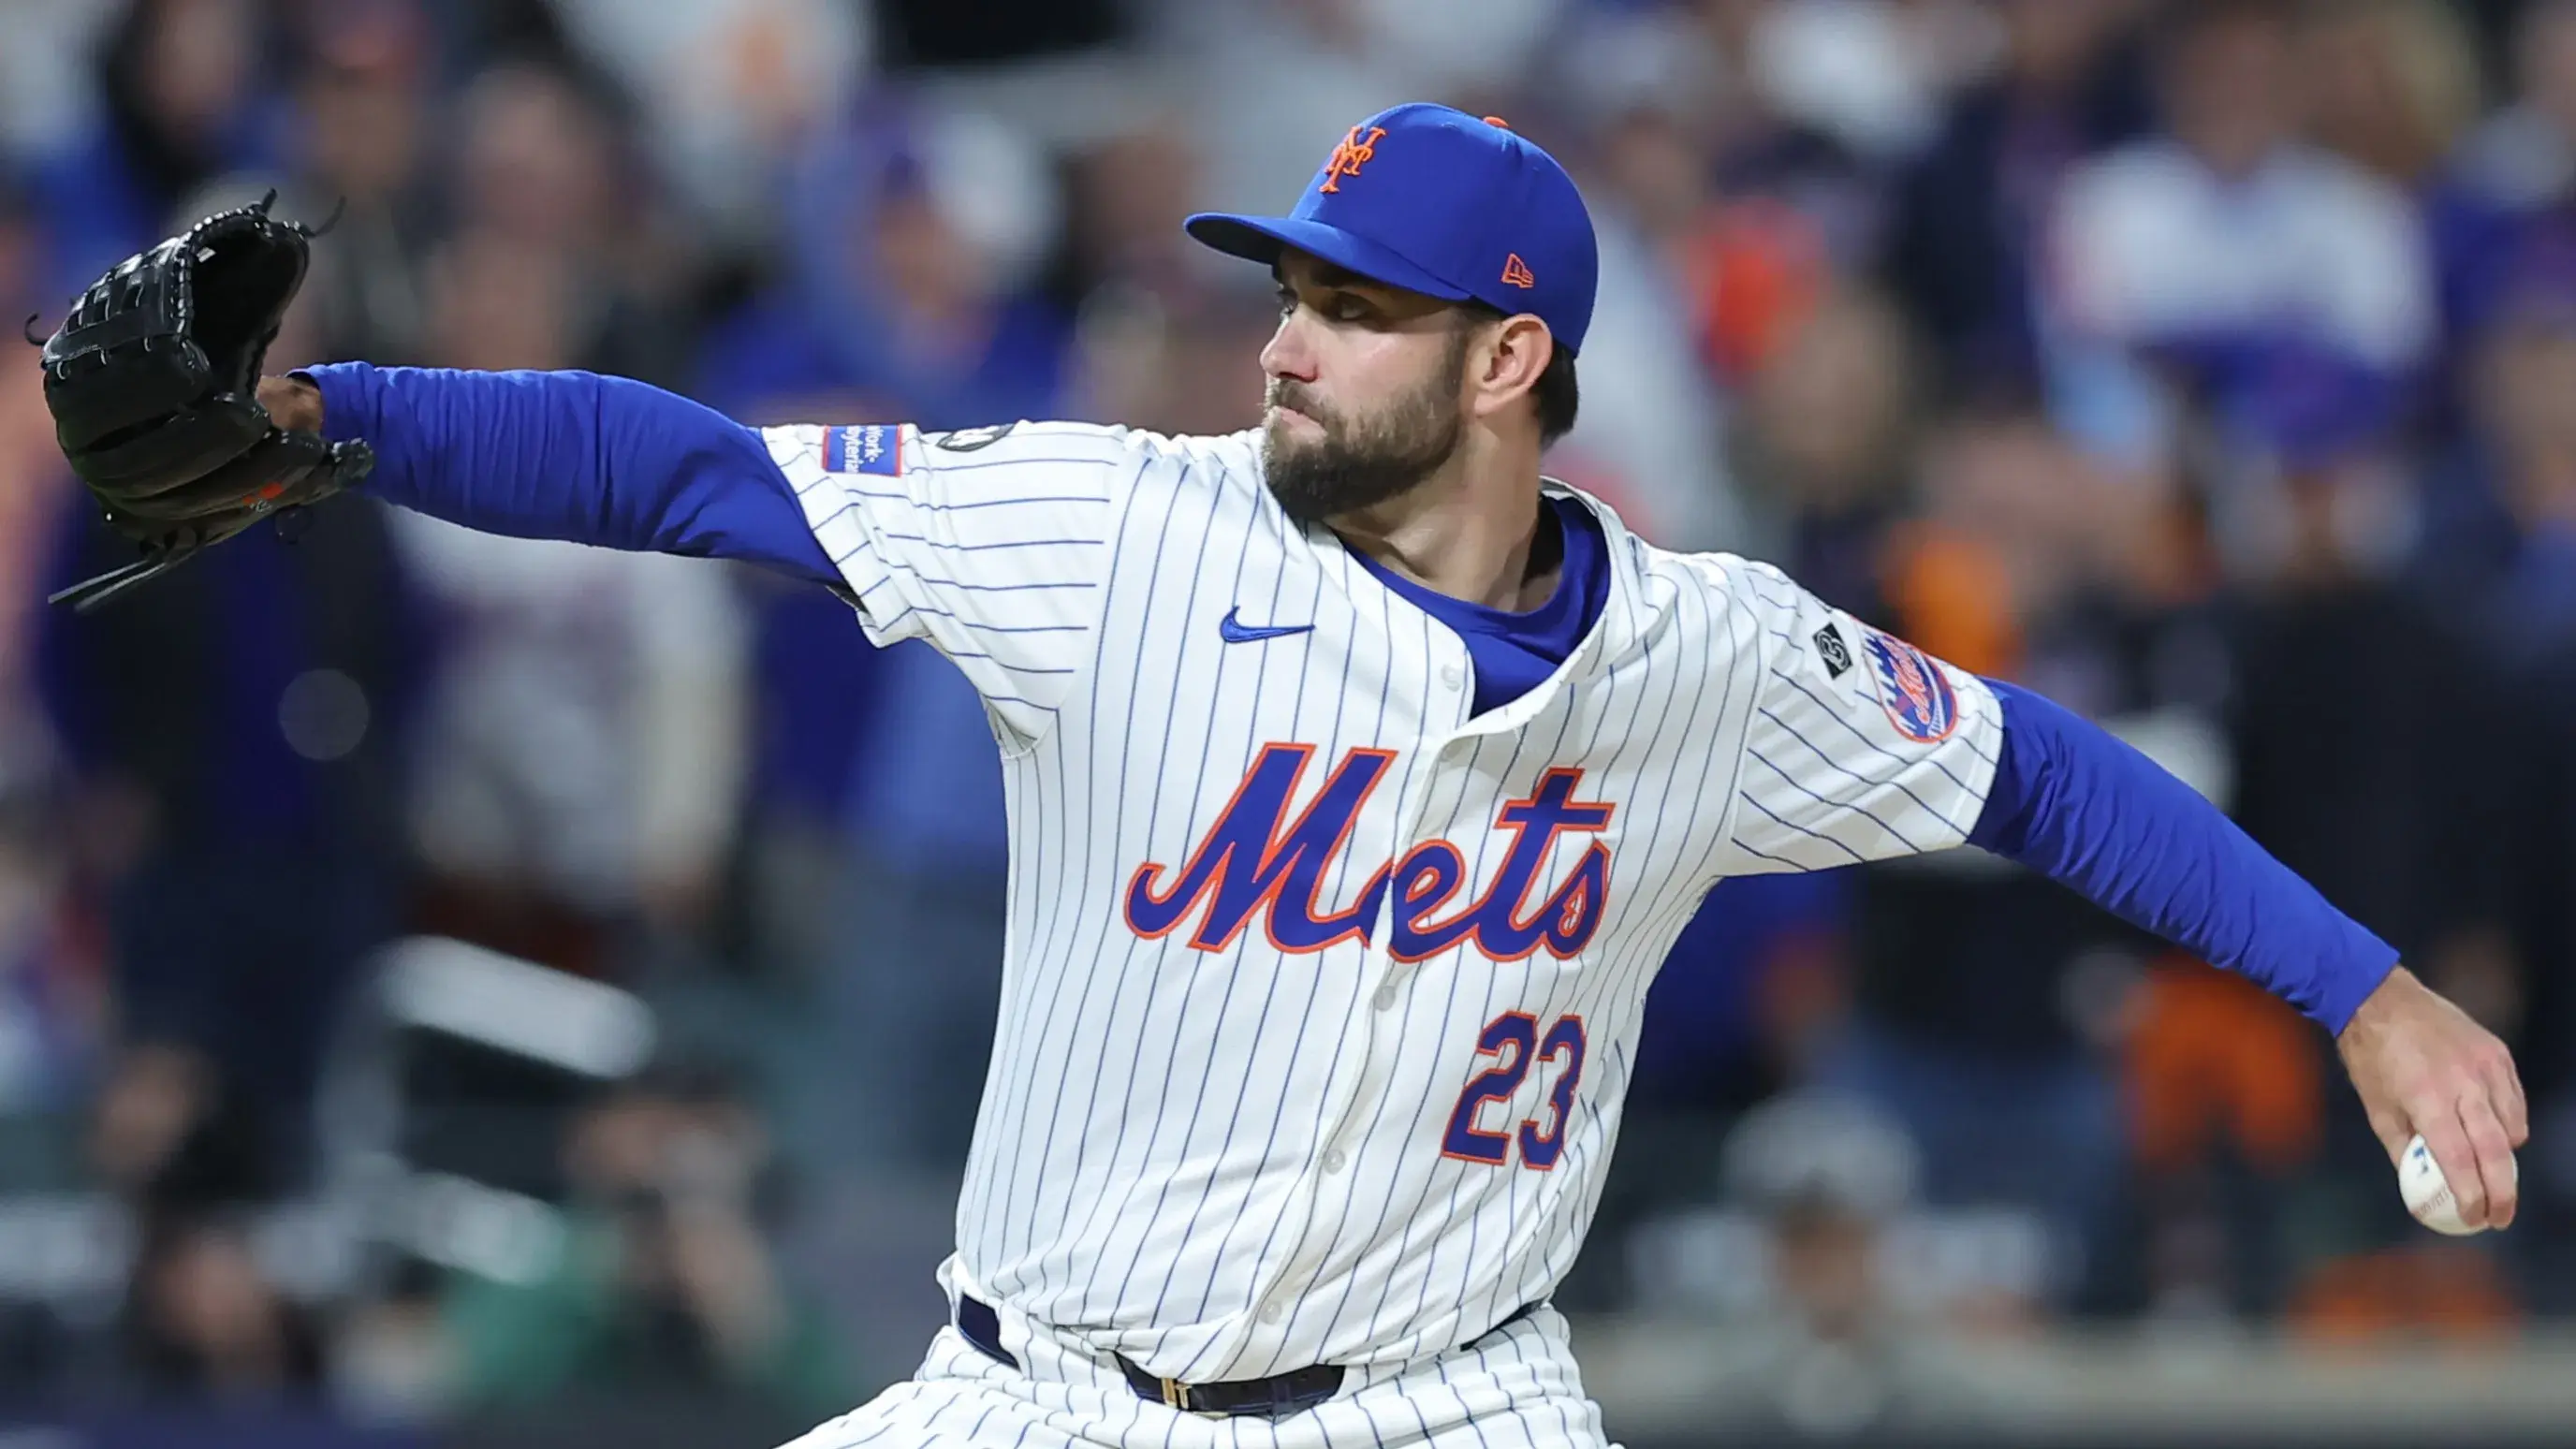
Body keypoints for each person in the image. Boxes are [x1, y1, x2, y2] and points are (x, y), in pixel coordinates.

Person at [51, 104, 2524, 1449]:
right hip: (1038, 1399)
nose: (1291, 347)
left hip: (1447, 1408)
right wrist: (326, 423)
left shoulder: (1704, 653)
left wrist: (2370, 989)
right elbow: (694, 468)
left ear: (1510, 359)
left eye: (1357, 311)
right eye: (1288, 293)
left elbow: (2040, 778)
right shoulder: (1113, 528)